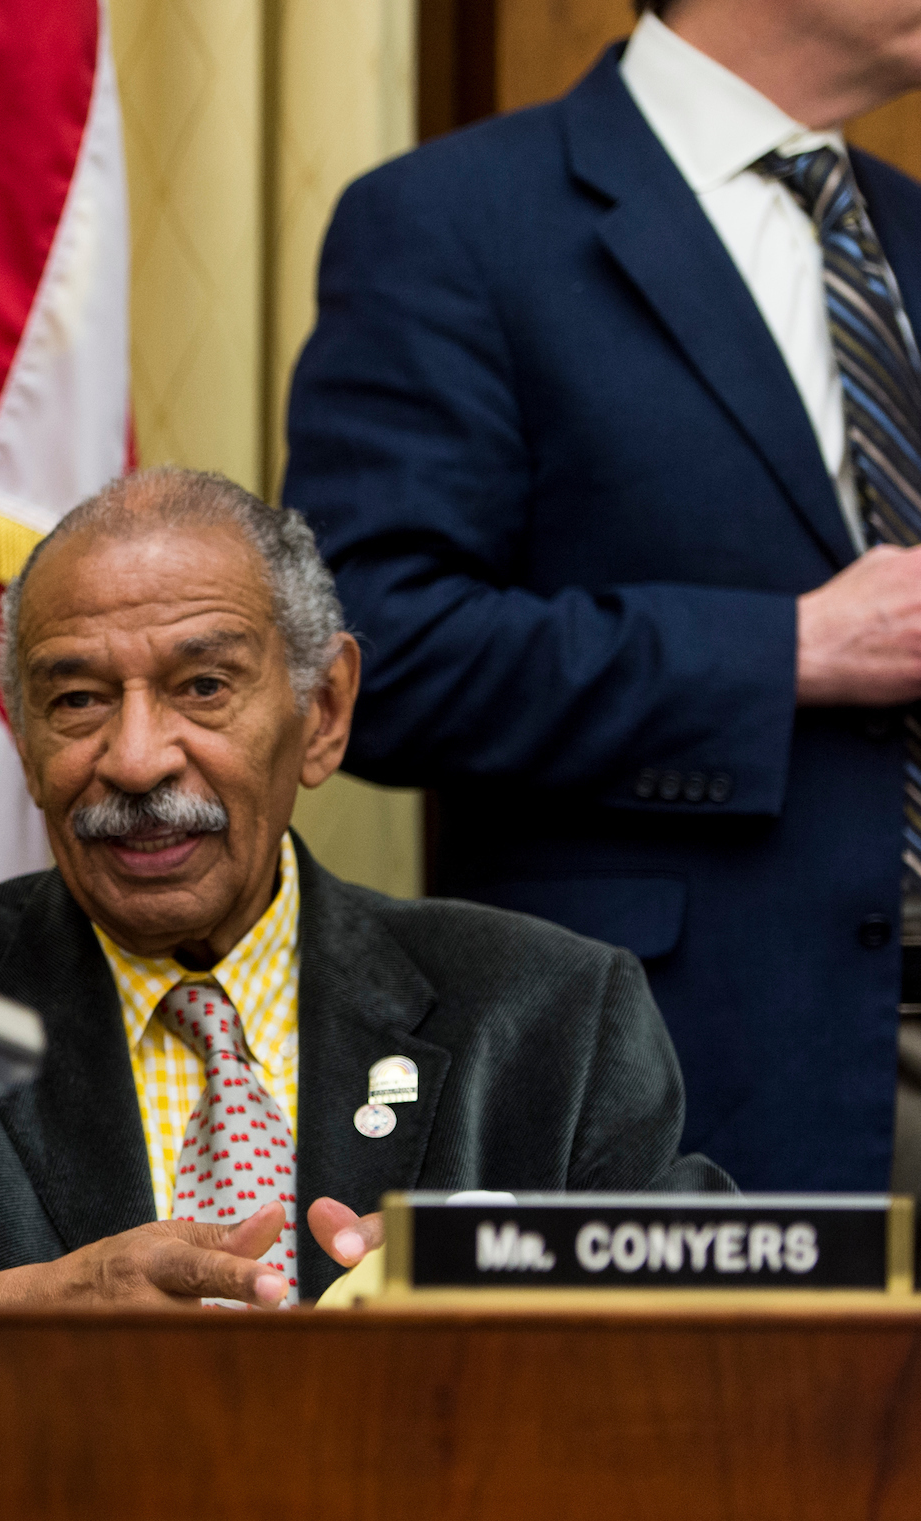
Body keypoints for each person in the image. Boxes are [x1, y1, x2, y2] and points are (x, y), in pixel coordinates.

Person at [283, 0, 921, 1193]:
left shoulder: (911, 231)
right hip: (693, 1070)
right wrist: (789, 651)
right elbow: (371, 655)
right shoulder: (451, 223)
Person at [0, 469, 727, 1308]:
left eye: (204, 686)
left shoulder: (552, 1016)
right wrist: (14, 1315)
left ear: (326, 712)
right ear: (25, 741)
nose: (138, 757)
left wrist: (525, 1279)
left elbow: (729, 1326)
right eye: (78, 700)